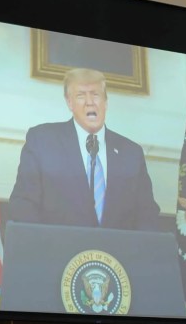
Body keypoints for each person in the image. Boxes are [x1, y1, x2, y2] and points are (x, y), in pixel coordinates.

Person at [8, 68, 160, 231]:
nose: (90, 102)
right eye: (81, 95)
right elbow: (23, 205)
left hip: (117, 254)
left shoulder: (131, 153)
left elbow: (147, 214)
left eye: (95, 94)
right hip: (58, 252)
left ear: (105, 102)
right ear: (69, 103)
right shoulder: (42, 141)